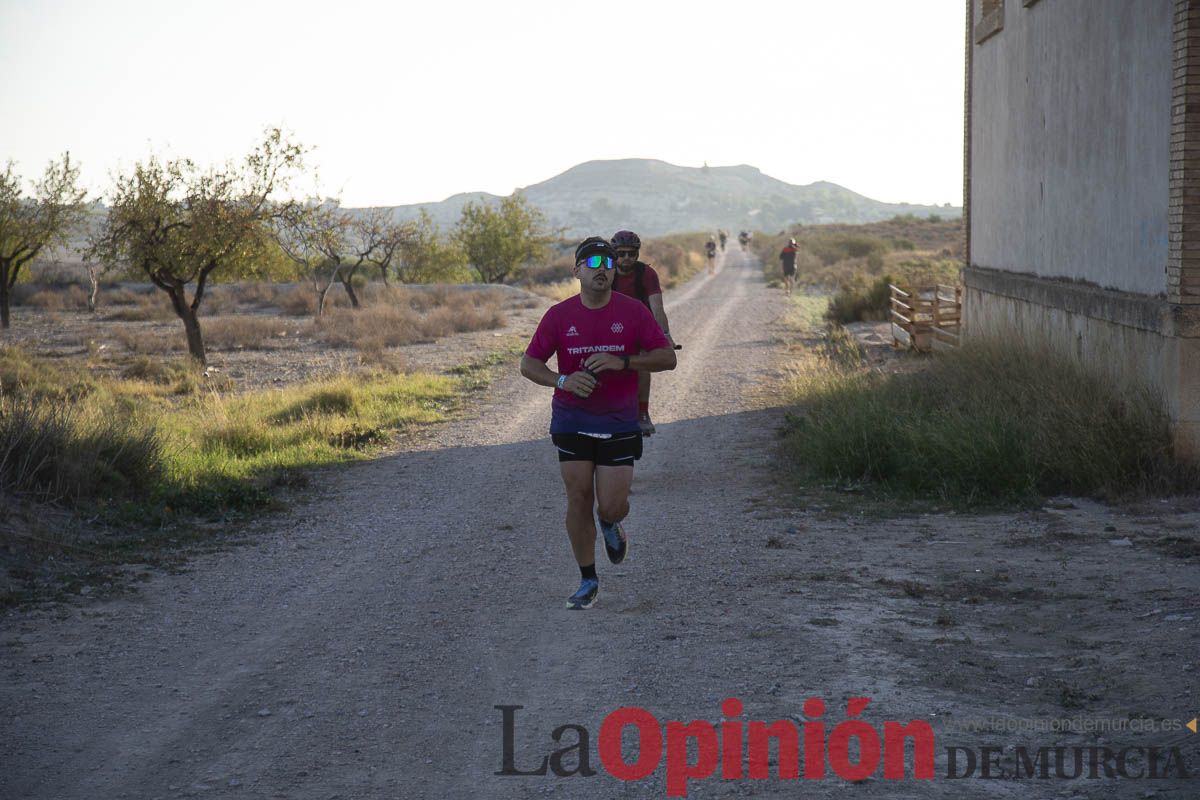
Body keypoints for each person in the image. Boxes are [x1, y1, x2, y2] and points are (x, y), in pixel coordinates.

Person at [521, 237, 677, 609]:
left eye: (607, 261)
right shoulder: (559, 315)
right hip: (572, 418)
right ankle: (587, 579)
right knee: (577, 498)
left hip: (619, 421)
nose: (602, 267)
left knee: (611, 505)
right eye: (592, 261)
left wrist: (623, 362)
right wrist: (562, 380)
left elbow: (667, 358)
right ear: (576, 270)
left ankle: (610, 525)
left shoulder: (634, 313)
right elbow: (529, 364)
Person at [610, 230, 674, 437]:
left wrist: (665, 334)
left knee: (642, 364)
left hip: (641, 322)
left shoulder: (646, 273)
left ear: (637, 254)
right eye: (621, 254)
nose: (626, 258)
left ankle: (642, 412)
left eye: (631, 253)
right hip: (611, 322)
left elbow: (657, 308)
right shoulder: (606, 272)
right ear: (613, 254)